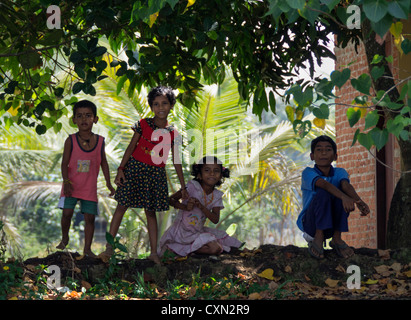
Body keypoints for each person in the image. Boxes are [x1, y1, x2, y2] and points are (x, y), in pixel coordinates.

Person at [99, 86, 187, 265]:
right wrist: (121, 169)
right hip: (134, 170)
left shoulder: (173, 133)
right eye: (156, 104)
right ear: (151, 106)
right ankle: (109, 248)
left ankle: (153, 253)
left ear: (171, 105)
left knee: (150, 213)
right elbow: (131, 148)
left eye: (164, 103)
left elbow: (177, 161)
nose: (160, 107)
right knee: (121, 207)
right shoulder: (143, 124)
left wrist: (183, 187)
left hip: (155, 175)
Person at [296, 135, 370, 259]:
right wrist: (344, 197)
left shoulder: (340, 172)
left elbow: (345, 186)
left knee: (341, 194)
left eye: (328, 149)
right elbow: (323, 184)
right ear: (312, 156)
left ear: (335, 156)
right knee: (324, 193)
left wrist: (359, 201)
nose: (323, 153)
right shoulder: (308, 173)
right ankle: (318, 237)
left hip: (331, 225)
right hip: (311, 225)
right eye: (319, 150)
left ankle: (336, 239)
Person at [57, 100, 115, 257]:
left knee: (89, 218)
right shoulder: (71, 140)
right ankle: (65, 238)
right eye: (80, 116)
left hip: (89, 187)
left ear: (95, 119)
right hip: (71, 185)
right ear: (74, 120)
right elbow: (64, 164)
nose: (84, 119)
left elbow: (103, 163)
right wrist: (66, 182)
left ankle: (87, 249)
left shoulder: (100, 141)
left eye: (88, 116)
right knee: (67, 213)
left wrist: (109, 183)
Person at [159, 156, 242, 258]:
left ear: (221, 176)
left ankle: (185, 251)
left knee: (216, 248)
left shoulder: (217, 196)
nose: (212, 173)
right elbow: (170, 200)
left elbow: (215, 219)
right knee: (216, 248)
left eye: (216, 171)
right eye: (207, 170)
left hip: (197, 232)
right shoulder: (192, 187)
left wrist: (201, 207)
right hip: (181, 233)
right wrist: (184, 207)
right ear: (199, 174)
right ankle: (178, 249)